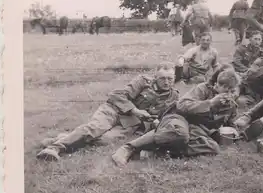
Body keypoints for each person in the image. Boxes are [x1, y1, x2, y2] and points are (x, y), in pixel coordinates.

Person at [36, 63, 180, 161]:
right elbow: (116, 95)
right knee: (93, 129)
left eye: (170, 79)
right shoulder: (143, 81)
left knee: (104, 141)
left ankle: (63, 137)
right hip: (113, 110)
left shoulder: (174, 96)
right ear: (155, 77)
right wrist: (135, 110)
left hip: (130, 123)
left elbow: (165, 116)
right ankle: (54, 148)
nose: (166, 82)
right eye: (162, 78)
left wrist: (155, 122)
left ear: (174, 78)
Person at [111, 66, 240, 166]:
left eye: (232, 91)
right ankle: (128, 148)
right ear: (217, 85)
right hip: (177, 118)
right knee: (180, 133)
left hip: (196, 129)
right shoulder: (203, 89)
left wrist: (234, 131)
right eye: (226, 90)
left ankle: (155, 153)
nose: (230, 94)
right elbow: (182, 105)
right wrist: (210, 103)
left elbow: (231, 124)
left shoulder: (231, 104)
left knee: (213, 147)